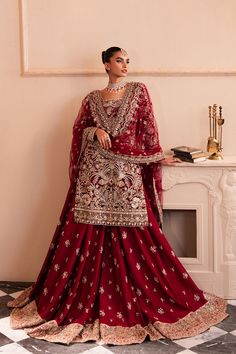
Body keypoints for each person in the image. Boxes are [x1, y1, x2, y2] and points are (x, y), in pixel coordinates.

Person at [8, 46, 228, 345]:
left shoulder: (139, 91)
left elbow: (148, 129)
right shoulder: (91, 99)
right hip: (94, 175)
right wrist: (93, 131)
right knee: (85, 232)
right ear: (106, 64)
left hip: (128, 172)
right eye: (119, 60)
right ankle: (83, 299)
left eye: (127, 61)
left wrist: (156, 155)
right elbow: (79, 131)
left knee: (139, 233)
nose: (125, 65)